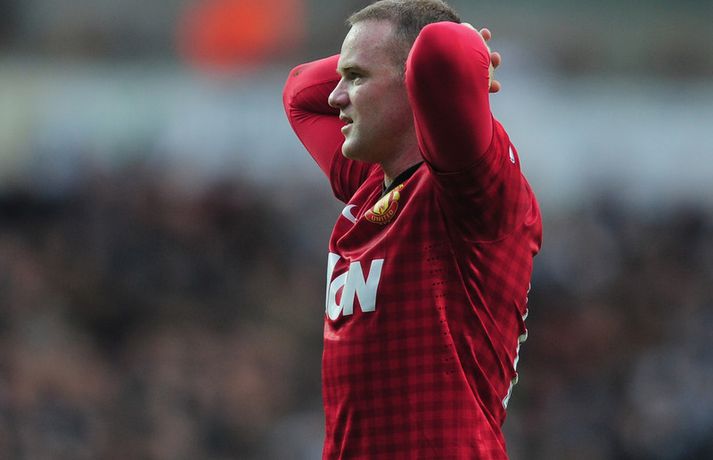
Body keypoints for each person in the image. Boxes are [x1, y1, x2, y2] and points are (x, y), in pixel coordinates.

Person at [282, 0, 542, 458]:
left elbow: (443, 48)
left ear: (414, 83)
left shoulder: (472, 188)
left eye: (356, 77)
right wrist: (379, 55)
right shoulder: (371, 184)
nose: (335, 97)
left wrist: (457, 53)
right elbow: (299, 91)